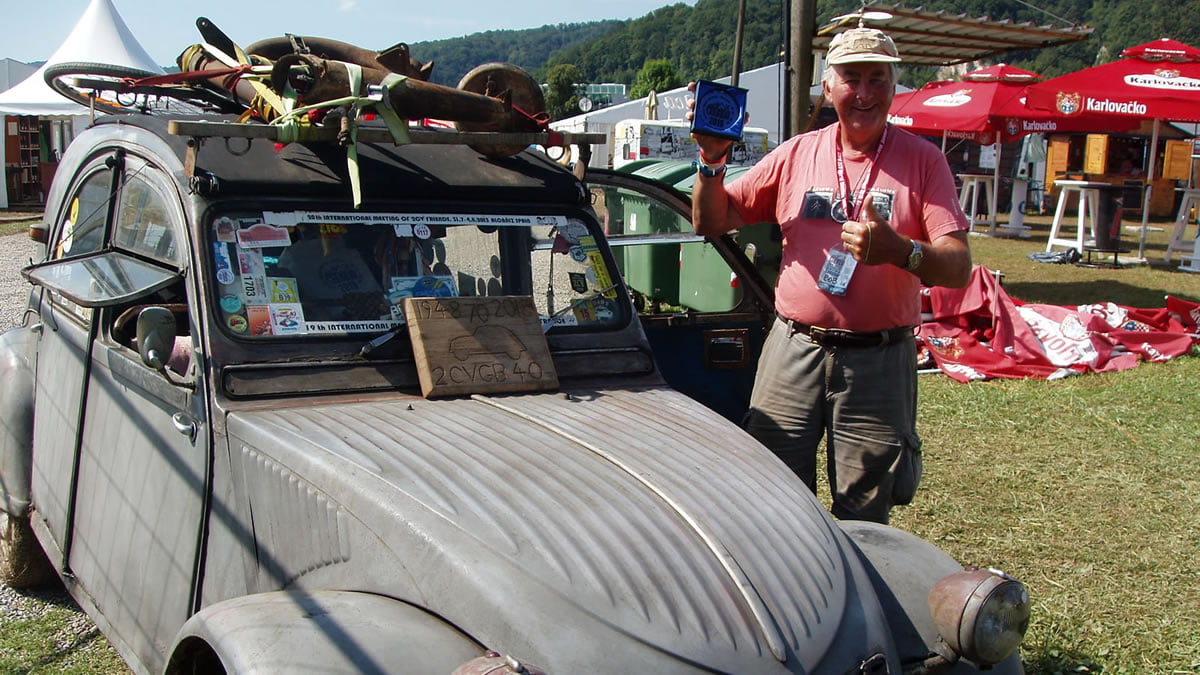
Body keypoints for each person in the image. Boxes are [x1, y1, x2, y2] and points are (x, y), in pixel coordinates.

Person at [689, 26, 972, 524]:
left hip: (879, 360)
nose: (864, 93)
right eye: (851, 78)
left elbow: (957, 265)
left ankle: (859, 597)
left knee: (865, 513)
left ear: (893, 86)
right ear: (828, 86)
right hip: (794, 348)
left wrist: (902, 252)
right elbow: (712, 220)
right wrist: (712, 162)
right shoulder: (797, 153)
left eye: (877, 79)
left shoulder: (924, 161)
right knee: (775, 497)